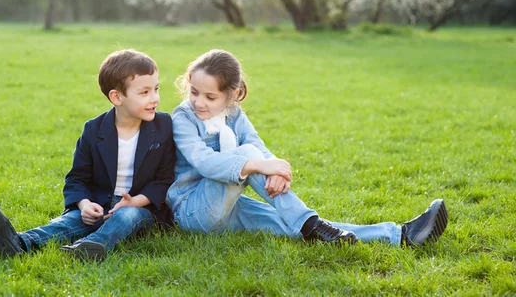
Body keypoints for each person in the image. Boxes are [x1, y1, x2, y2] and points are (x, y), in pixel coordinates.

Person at [166, 49, 447, 246]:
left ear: (233, 95)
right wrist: (261, 165)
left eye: (210, 96)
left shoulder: (235, 114)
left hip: (229, 208)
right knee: (250, 157)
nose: (199, 101)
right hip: (193, 212)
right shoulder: (184, 117)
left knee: (292, 223)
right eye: (194, 92)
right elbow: (203, 161)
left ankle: (399, 236)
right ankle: (310, 224)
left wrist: (275, 171)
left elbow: (256, 145)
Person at [0, 49, 175, 261]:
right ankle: (20, 242)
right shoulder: (93, 130)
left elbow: (164, 179)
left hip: (141, 207)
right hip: (100, 203)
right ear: (117, 97)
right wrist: (84, 204)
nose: (154, 98)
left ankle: (91, 246)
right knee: (71, 221)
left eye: (156, 89)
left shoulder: (163, 125)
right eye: (144, 93)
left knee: (126, 217)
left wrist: (134, 201)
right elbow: (77, 177)